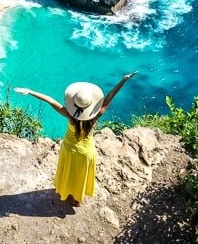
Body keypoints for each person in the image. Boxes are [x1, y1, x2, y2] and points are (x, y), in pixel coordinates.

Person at [15, 72, 138, 206]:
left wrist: (30, 91)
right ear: (90, 105)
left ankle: (66, 190)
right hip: (86, 153)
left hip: (69, 150)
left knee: (69, 172)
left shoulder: (69, 115)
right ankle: (78, 199)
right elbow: (110, 96)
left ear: (75, 104)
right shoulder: (95, 116)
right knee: (81, 175)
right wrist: (123, 80)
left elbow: (50, 100)